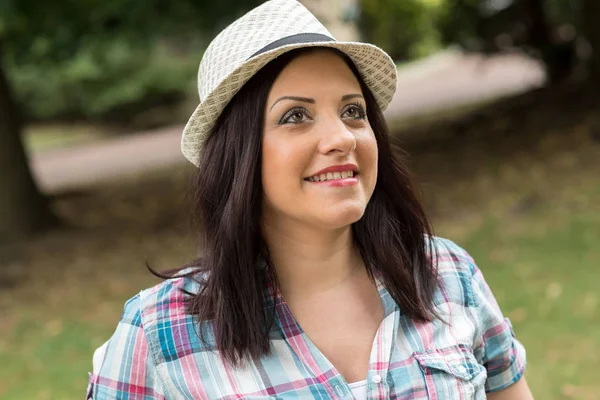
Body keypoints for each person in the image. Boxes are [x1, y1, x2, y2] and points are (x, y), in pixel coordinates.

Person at [87, 1, 534, 399]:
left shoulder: (448, 277)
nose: (342, 137)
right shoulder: (158, 335)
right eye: (295, 116)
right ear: (238, 155)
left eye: (353, 111)